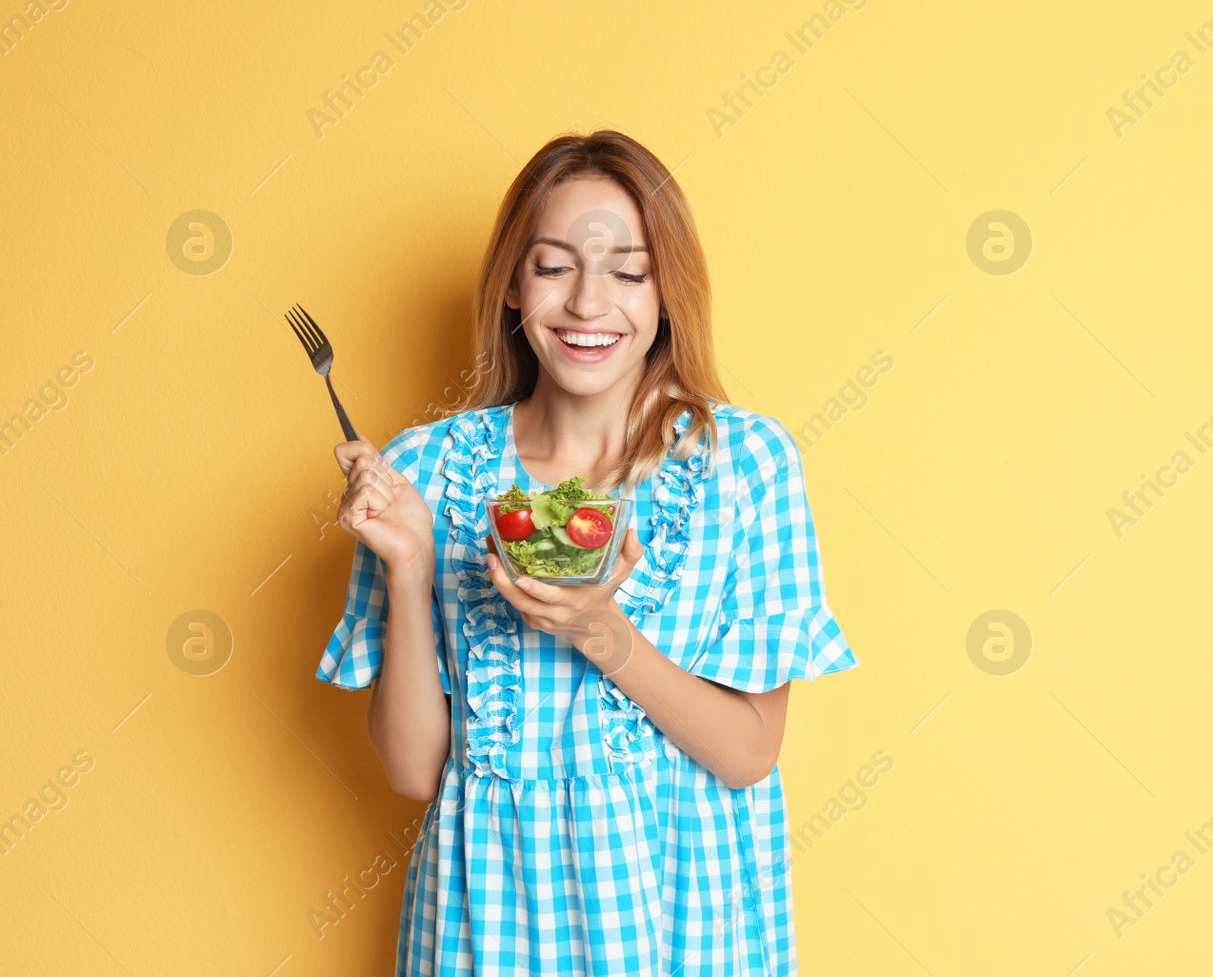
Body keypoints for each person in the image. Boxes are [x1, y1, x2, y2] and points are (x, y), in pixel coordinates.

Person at [314, 129, 859, 975]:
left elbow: (749, 751)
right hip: (485, 925)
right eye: (554, 265)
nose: (587, 303)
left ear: (668, 293)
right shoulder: (424, 471)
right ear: (510, 286)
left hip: (682, 924)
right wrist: (411, 562)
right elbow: (415, 770)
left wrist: (602, 631)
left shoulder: (742, 465)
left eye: (629, 271)